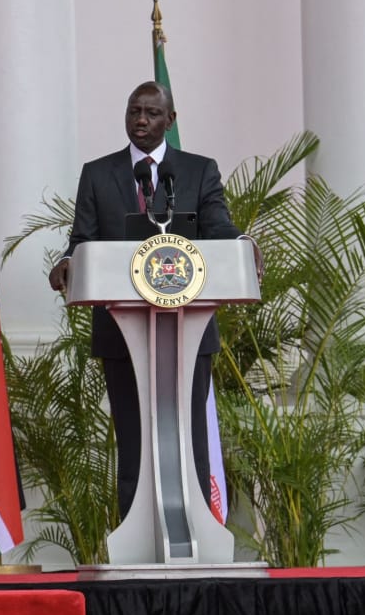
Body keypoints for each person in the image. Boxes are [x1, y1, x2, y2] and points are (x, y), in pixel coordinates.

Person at [47, 81, 253, 520]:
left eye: (152, 113)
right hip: (122, 334)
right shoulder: (98, 174)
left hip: (189, 332)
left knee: (189, 435)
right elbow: (83, 241)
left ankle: (198, 528)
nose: (141, 120)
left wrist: (242, 244)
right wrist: (67, 263)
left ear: (170, 120)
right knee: (134, 438)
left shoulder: (198, 171)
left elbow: (217, 225)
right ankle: (135, 534)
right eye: (134, 111)